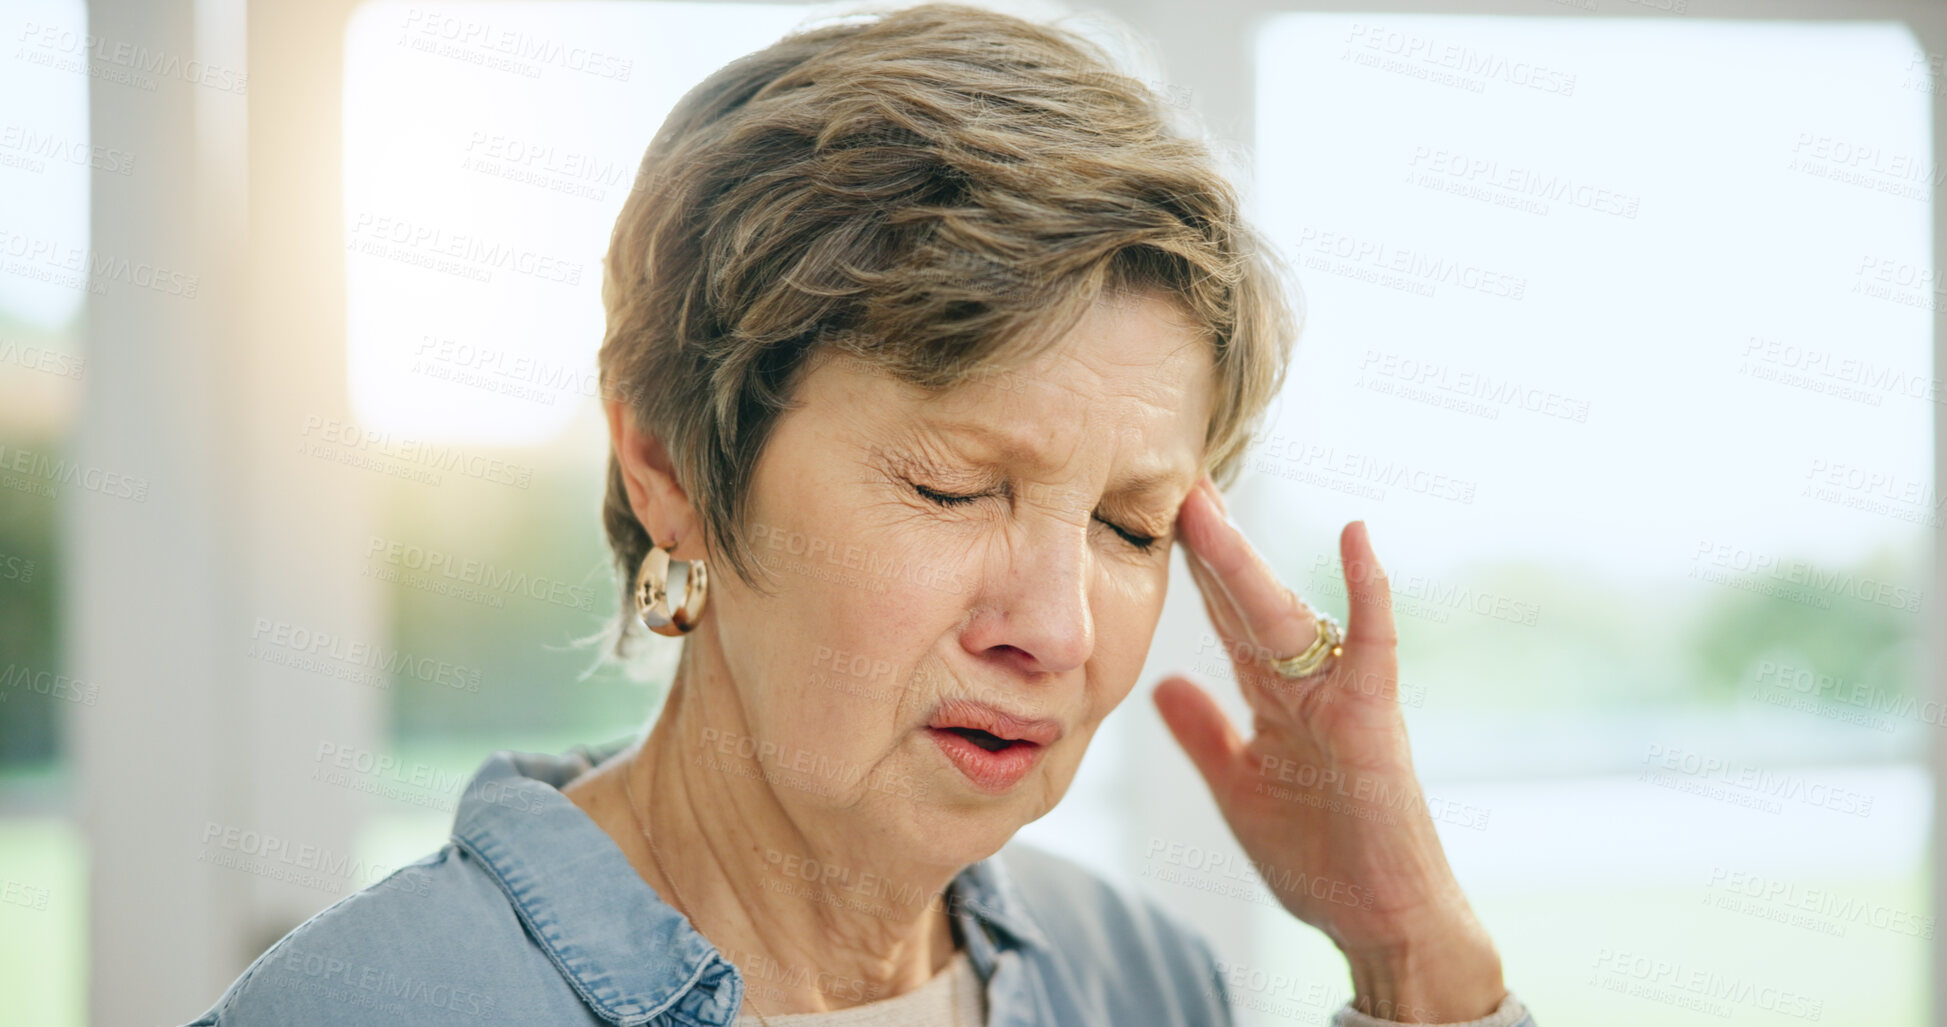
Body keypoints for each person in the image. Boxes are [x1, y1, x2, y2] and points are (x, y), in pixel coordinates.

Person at [187, 3, 1534, 1024]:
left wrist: (1409, 949)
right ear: (669, 467)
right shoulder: (370, 1009)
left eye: (1130, 527)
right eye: (954, 487)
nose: (1057, 630)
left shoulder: (1144, 983)